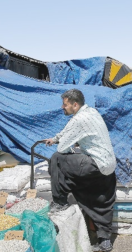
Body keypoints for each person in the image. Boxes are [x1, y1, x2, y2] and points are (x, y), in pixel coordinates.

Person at [44, 89, 117, 252]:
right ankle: (105, 240)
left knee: (57, 158)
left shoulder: (79, 119)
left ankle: (59, 202)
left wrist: (60, 143)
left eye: (65, 104)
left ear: (75, 105)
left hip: (95, 164)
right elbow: (67, 131)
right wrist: (55, 138)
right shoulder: (91, 112)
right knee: (100, 199)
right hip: (108, 166)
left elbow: (63, 148)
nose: (62, 107)